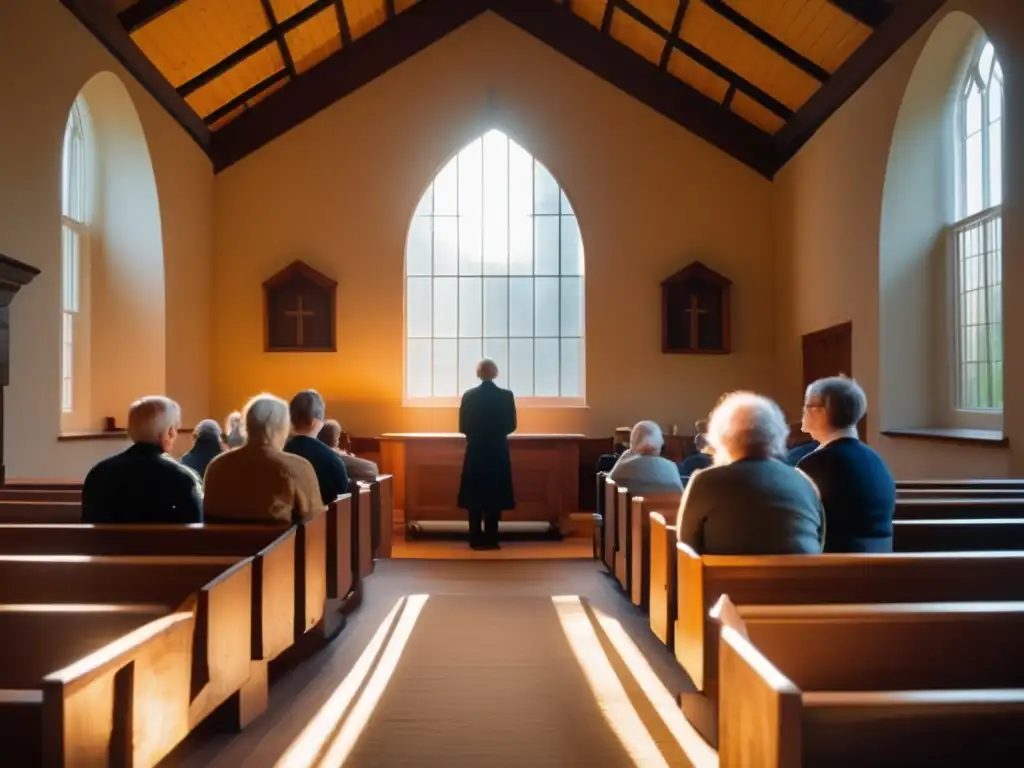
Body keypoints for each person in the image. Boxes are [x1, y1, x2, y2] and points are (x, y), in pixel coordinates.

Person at [676, 391, 824, 555]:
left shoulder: (704, 481)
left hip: (726, 580)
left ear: (722, 438)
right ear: (776, 436)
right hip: (802, 580)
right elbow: (819, 542)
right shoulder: (804, 482)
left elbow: (687, 548)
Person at [798, 376, 895, 552]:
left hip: (836, 568)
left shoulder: (816, 465)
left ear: (822, 412)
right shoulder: (875, 459)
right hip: (880, 563)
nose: (804, 411)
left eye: (808, 405)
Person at [204, 393, 322, 524]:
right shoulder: (298, 468)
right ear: (283, 428)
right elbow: (315, 524)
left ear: (246, 426)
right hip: (280, 545)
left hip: (222, 544)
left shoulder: (216, 466)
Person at [82, 396, 203, 524]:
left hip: (108, 544)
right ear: (170, 432)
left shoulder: (98, 474)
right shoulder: (184, 478)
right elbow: (196, 531)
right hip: (164, 544)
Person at [458, 358, 516, 550]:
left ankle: (474, 537)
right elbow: (511, 425)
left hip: (476, 449)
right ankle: (492, 538)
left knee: (474, 494)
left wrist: (476, 436)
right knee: (494, 493)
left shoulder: (469, 396)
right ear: (495, 373)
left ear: (478, 374)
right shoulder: (506, 396)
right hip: (497, 450)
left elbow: (463, 426)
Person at [284, 391, 349, 504]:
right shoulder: (331, 460)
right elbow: (340, 493)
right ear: (316, 422)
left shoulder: (277, 450)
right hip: (321, 519)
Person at [609, 421, 684, 495]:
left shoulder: (622, 468)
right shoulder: (671, 467)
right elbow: (681, 495)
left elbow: (609, 489)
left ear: (633, 441)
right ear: (660, 442)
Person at [318, 419, 380, 484]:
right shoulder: (339, 458)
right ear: (336, 439)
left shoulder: (312, 455)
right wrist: (349, 458)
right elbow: (372, 470)